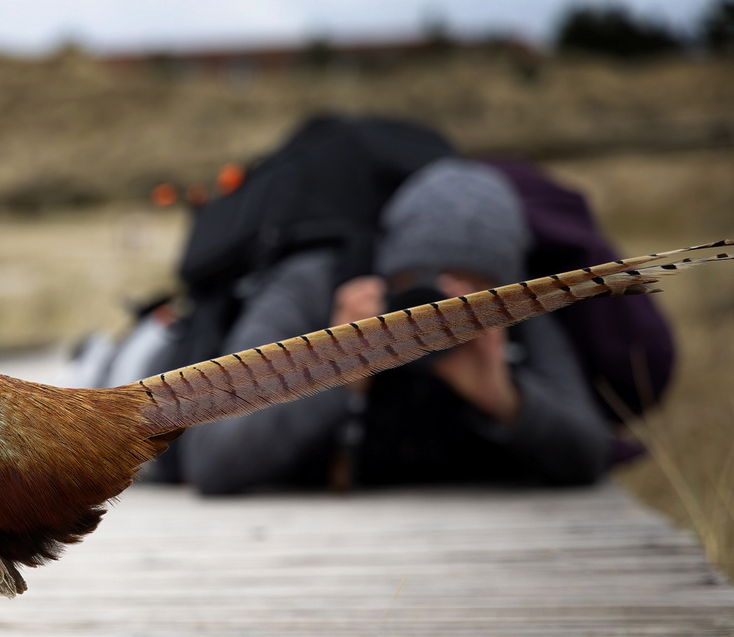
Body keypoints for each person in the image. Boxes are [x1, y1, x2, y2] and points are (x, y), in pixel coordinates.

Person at [178, 159, 612, 494]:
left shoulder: (514, 317)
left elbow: (592, 452)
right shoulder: (314, 291)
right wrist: (337, 368)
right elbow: (210, 459)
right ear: (388, 273)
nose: (445, 318)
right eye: (423, 291)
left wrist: (507, 399)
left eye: (476, 298)